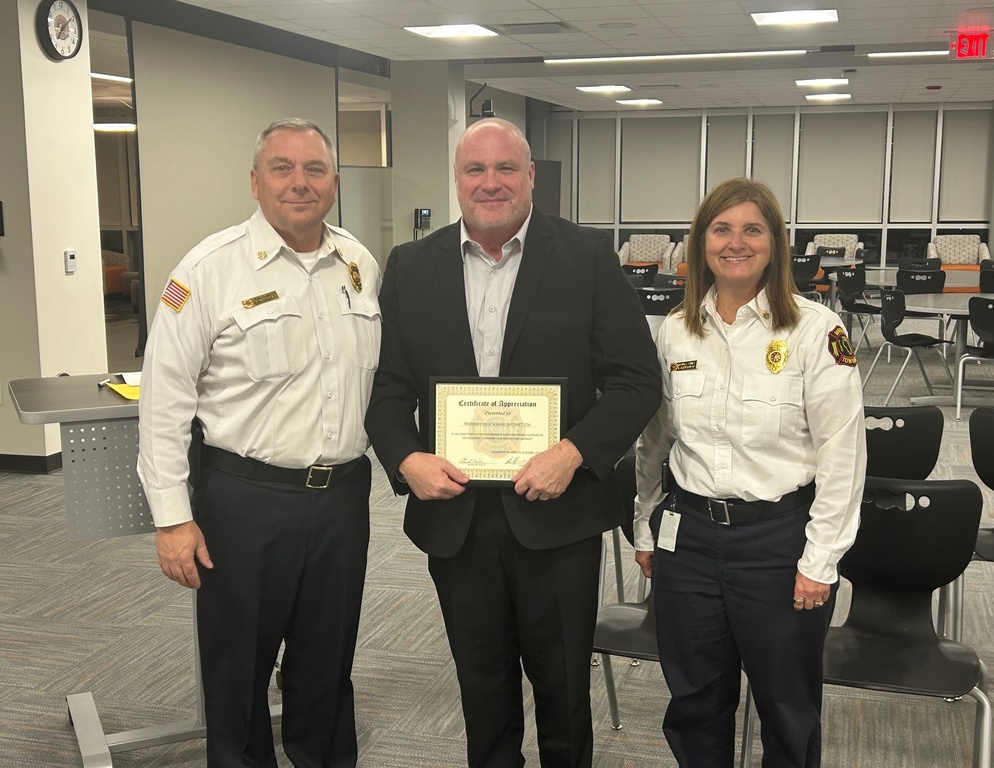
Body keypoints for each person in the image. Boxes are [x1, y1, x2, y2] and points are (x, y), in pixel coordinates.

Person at [364, 118, 661, 768]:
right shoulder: (412, 266)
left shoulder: (585, 258)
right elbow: (386, 388)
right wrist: (406, 457)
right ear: (457, 179)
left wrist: (574, 452)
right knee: (482, 692)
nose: (490, 183)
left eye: (506, 169)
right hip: (457, 519)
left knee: (562, 695)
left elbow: (637, 380)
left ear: (530, 178)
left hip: (560, 518)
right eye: (476, 169)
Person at [137, 117, 380, 768]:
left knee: (327, 661)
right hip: (245, 500)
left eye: (315, 169)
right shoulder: (209, 269)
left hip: (341, 500)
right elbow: (164, 400)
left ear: (334, 181)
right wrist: (172, 518)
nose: (300, 183)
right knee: (237, 668)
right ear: (254, 180)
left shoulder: (359, 263)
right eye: (282, 168)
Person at [633, 177, 865, 768]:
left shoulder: (817, 330)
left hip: (779, 542)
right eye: (721, 229)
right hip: (688, 537)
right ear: (700, 242)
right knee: (693, 701)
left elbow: (843, 455)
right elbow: (654, 438)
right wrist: (644, 525)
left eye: (752, 229)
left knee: (786, 708)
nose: (736, 242)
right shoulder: (676, 329)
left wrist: (821, 561)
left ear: (775, 242)